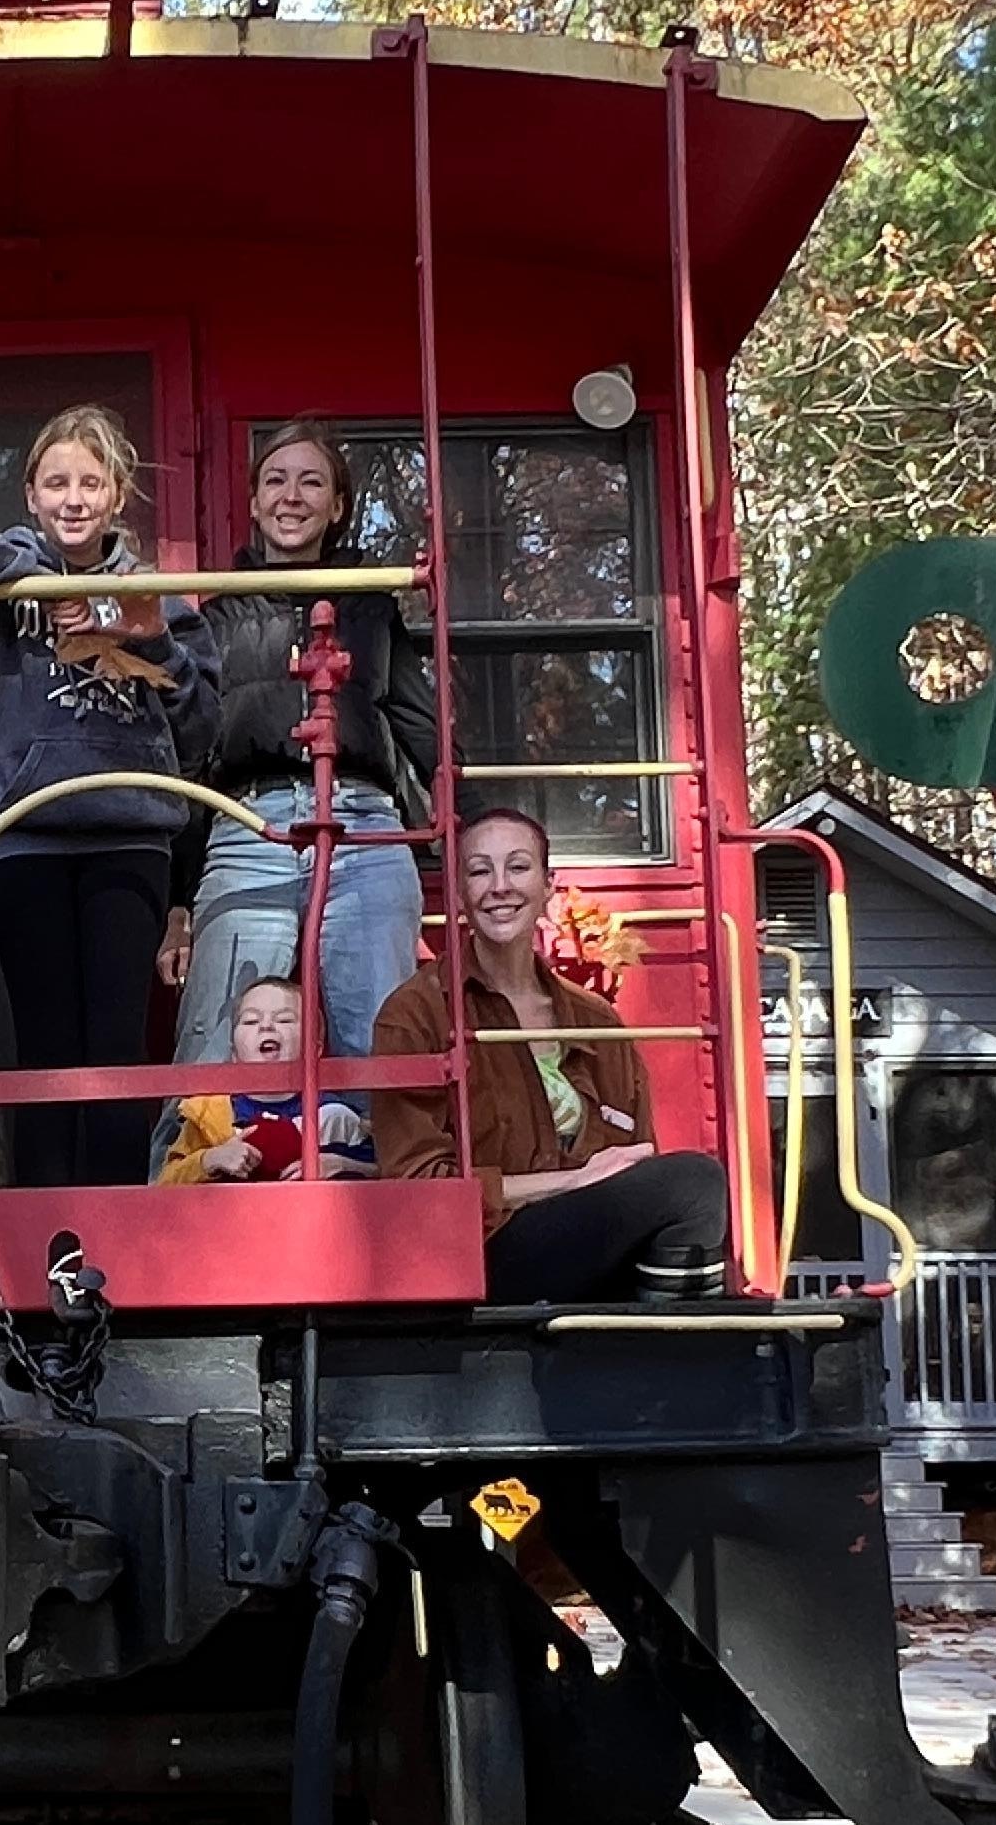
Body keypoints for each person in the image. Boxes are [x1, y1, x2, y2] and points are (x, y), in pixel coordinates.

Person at [0, 405, 200, 1186]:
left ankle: (116, 1229)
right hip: (28, 837)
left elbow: (203, 714)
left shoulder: (158, 593)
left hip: (130, 837)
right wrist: (25, 571)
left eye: (91, 483)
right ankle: (46, 1236)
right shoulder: (3, 593)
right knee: (40, 1044)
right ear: (31, 494)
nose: (74, 498)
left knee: (112, 1042)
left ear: (117, 496)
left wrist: (144, 631)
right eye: (57, 482)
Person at [159, 422, 441, 1136]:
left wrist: (460, 828)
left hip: (366, 826)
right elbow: (189, 758)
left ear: (338, 505)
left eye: (311, 481)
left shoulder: (370, 604)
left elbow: (422, 729)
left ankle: (391, 1210)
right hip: (250, 825)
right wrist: (177, 902)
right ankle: (183, 1203)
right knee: (221, 1028)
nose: (292, 496)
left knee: (382, 1028)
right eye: (276, 480)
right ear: (253, 502)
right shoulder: (216, 612)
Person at [370, 805, 729, 1299]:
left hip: (583, 1246)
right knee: (694, 1181)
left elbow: (635, 1159)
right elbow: (418, 1187)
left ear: (548, 885)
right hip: (479, 1253)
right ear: (459, 894)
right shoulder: (414, 1013)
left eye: (518, 867)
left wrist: (599, 1188)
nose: (499, 886)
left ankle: (668, 1336)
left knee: (694, 1202)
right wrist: (571, 1182)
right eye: (479, 870)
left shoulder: (596, 1018)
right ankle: (666, 1347)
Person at [154, 971, 376, 1183]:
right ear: (233, 1052)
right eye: (251, 1021)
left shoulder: (335, 1118)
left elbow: (387, 1171)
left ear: (316, 1047)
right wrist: (209, 1160)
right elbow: (165, 1183)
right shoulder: (208, 1117)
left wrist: (343, 1165)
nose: (266, 1026)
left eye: (285, 1020)